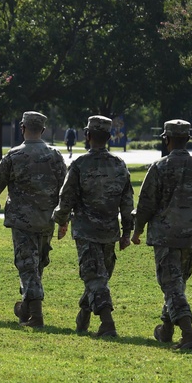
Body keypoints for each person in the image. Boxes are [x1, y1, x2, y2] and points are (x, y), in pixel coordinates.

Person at [131, 120, 192, 350]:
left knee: (172, 287)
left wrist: (137, 230)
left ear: (166, 140)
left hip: (165, 238)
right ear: (188, 139)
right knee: (176, 284)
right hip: (189, 238)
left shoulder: (159, 167)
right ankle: (166, 330)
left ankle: (188, 335)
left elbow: (146, 204)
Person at [0, 111, 66, 327]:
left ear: (22, 128)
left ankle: (36, 316)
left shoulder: (14, 156)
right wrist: (65, 219)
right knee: (37, 266)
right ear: (43, 131)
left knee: (28, 266)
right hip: (47, 220)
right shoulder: (55, 156)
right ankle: (27, 308)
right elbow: (67, 190)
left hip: (22, 221)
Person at [52, 115, 134, 338]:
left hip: (86, 231)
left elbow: (65, 198)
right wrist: (127, 232)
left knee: (96, 279)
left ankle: (107, 324)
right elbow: (128, 203)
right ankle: (85, 316)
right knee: (97, 277)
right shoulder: (119, 165)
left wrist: (60, 221)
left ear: (87, 136)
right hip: (110, 233)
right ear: (108, 137)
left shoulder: (79, 164)